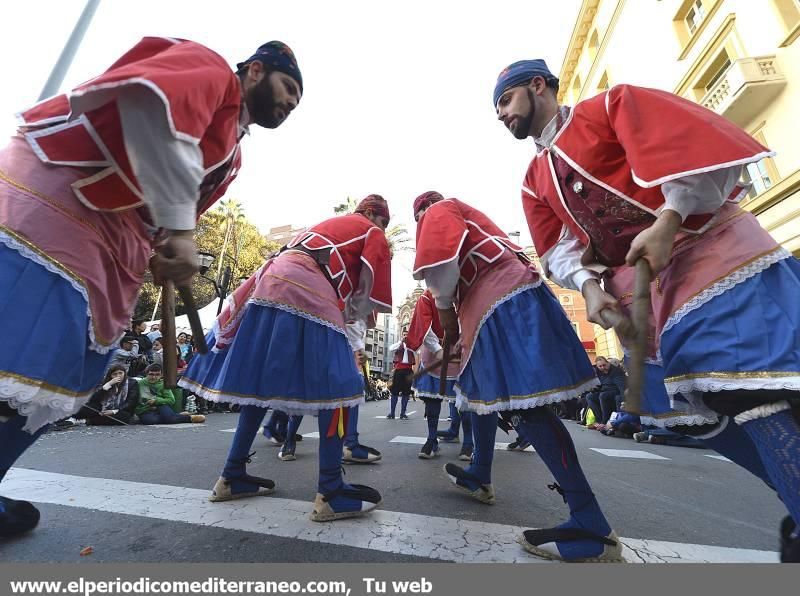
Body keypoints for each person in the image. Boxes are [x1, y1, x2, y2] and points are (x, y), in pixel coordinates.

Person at [494, 58, 800, 561]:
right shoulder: (533, 179)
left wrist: (669, 219)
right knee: (694, 414)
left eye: (505, 100)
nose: (502, 115)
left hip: (709, 251)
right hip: (646, 292)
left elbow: (696, 150)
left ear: (537, 85)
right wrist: (591, 290)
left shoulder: (611, 105)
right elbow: (560, 251)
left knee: (750, 391)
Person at [0, 37, 303, 537]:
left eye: (297, 97)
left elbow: (172, 203)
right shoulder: (208, 69)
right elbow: (149, 107)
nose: (291, 102)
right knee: (21, 358)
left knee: (67, 377)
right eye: (288, 85)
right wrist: (180, 231)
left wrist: (167, 245)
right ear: (253, 71)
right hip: (55, 205)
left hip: (112, 241)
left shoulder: (234, 155)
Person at [412, 191, 620, 562]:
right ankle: (480, 472)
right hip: (501, 297)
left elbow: (441, 267)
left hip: (500, 299)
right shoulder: (469, 219)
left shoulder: (439, 210)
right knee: (483, 398)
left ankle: (592, 522)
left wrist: (445, 313)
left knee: (526, 408)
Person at [179, 195, 392, 521]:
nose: (384, 230)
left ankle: (232, 474)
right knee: (342, 388)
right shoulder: (369, 230)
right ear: (373, 215)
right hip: (308, 289)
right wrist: (366, 315)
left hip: (268, 285)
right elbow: (365, 302)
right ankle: (331, 489)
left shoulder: (319, 228)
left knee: (262, 385)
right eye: (384, 222)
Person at [405, 289, 472, 460]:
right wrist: (437, 349)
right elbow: (423, 326)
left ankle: (469, 443)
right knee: (432, 401)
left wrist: (463, 342)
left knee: (464, 401)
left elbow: (473, 320)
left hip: (462, 351)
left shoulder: (468, 293)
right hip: (435, 352)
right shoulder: (427, 298)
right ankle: (431, 440)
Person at [136, 364, 205, 425]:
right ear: (146, 374)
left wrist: (156, 400)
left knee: (169, 418)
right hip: (146, 409)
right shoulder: (140, 383)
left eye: (157, 375)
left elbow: (171, 400)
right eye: (151, 374)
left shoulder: (164, 384)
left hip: (161, 405)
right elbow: (136, 399)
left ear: (161, 375)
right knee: (150, 421)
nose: (154, 377)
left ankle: (190, 418)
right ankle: (176, 416)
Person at [74, 365, 140, 426]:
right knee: (86, 408)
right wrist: (107, 385)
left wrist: (113, 411)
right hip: (103, 407)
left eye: (120, 373)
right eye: (115, 374)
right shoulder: (106, 381)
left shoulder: (132, 383)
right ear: (110, 375)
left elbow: (131, 402)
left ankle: (88, 421)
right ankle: (74, 419)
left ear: (124, 373)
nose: (118, 376)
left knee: (123, 417)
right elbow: (93, 399)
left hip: (120, 410)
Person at [585, 357, 626, 425]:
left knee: (603, 395)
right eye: (600, 366)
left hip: (615, 390)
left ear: (608, 363)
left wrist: (624, 399)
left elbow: (621, 387)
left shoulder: (616, 371)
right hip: (604, 390)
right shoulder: (599, 372)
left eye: (604, 365)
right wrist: (594, 389)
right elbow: (600, 385)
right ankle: (599, 420)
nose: (603, 368)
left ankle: (605, 421)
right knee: (589, 396)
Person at [387, 332, 415, 420]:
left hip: (409, 370)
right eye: (404, 335)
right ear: (401, 336)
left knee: (406, 392)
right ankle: (392, 413)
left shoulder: (412, 345)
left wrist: (410, 344)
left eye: (407, 335)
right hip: (398, 369)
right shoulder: (398, 345)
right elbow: (390, 348)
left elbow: (417, 351)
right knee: (394, 392)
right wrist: (401, 342)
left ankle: (403, 413)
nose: (406, 336)